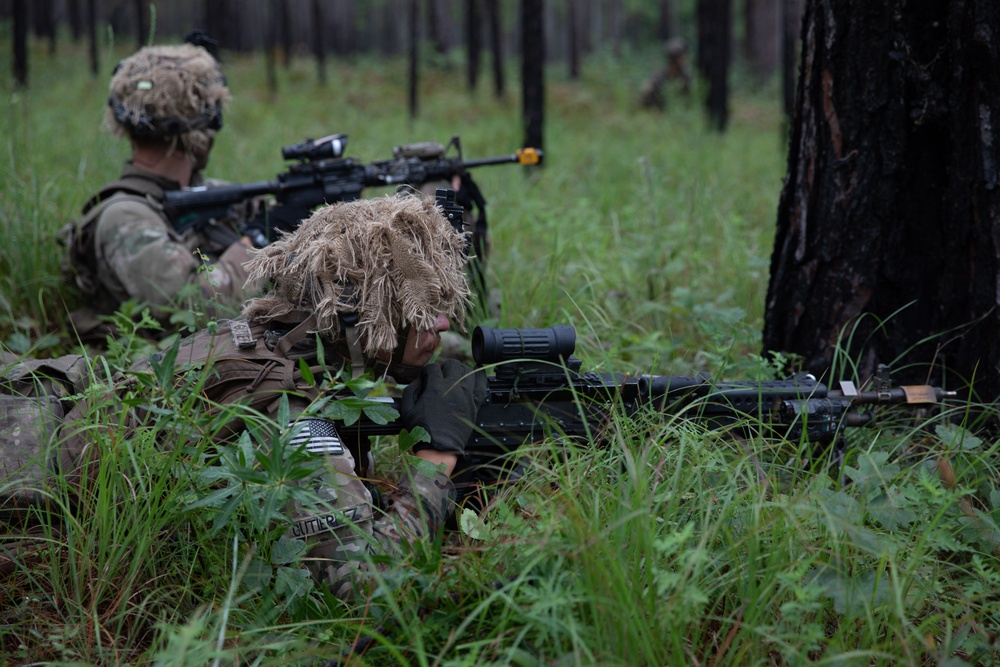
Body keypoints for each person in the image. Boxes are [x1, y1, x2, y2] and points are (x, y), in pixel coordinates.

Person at [7, 191, 488, 598]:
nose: (442, 324)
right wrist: (436, 458)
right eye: (422, 310)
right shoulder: (285, 414)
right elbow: (366, 586)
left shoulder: (257, 336)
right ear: (355, 318)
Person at [59, 36, 290, 345]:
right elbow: (198, 309)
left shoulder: (214, 195)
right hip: (161, 376)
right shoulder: (125, 218)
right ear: (202, 129)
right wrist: (258, 240)